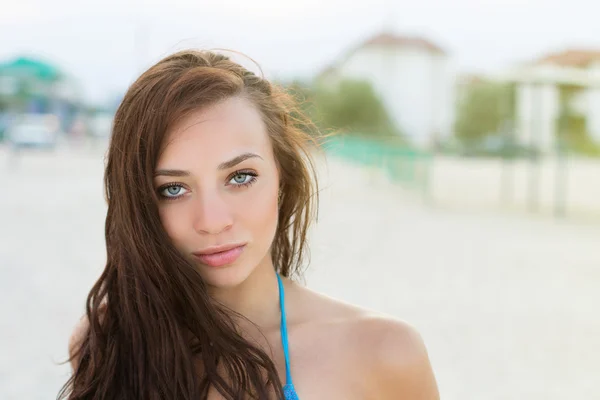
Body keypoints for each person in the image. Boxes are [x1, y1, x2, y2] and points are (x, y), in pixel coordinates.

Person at [60, 49, 439, 400]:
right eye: (174, 189)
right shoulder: (109, 343)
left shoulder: (383, 353)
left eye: (240, 177)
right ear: (140, 202)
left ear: (283, 177)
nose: (212, 222)